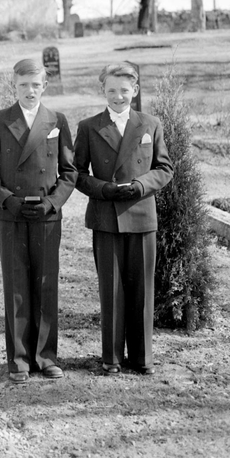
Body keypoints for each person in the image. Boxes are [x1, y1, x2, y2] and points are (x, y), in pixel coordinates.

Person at [0, 58, 77, 384]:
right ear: (15, 86)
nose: (30, 91)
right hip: (12, 214)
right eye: (23, 85)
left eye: (36, 85)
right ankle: (19, 359)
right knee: (17, 287)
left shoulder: (57, 120)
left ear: (44, 86)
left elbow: (69, 172)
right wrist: (7, 199)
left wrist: (52, 202)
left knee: (46, 286)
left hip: (47, 215)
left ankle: (46, 357)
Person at [74, 62, 173, 376]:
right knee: (111, 289)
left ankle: (142, 358)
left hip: (142, 215)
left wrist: (142, 185)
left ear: (136, 91)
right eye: (111, 90)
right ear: (103, 91)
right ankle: (112, 358)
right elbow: (76, 173)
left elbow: (165, 168)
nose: (118, 96)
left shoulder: (150, 124)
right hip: (106, 217)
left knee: (142, 289)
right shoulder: (89, 127)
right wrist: (102, 189)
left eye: (124, 90)